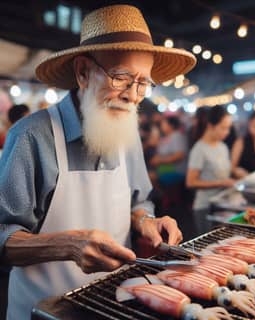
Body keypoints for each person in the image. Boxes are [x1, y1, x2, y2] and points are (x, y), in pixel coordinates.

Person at [0, 5, 196, 320]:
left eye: (143, 83)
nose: (133, 95)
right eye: (121, 77)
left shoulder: (127, 129)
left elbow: (139, 200)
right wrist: (66, 245)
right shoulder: (31, 136)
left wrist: (146, 221)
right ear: (82, 71)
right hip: (44, 310)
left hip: (111, 303)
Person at [186, 106, 235, 235]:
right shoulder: (199, 149)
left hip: (222, 204)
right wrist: (221, 183)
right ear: (211, 126)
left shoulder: (223, 146)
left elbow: (222, 171)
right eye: (223, 128)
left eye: (228, 128)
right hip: (205, 207)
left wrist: (236, 171)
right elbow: (191, 182)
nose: (227, 132)